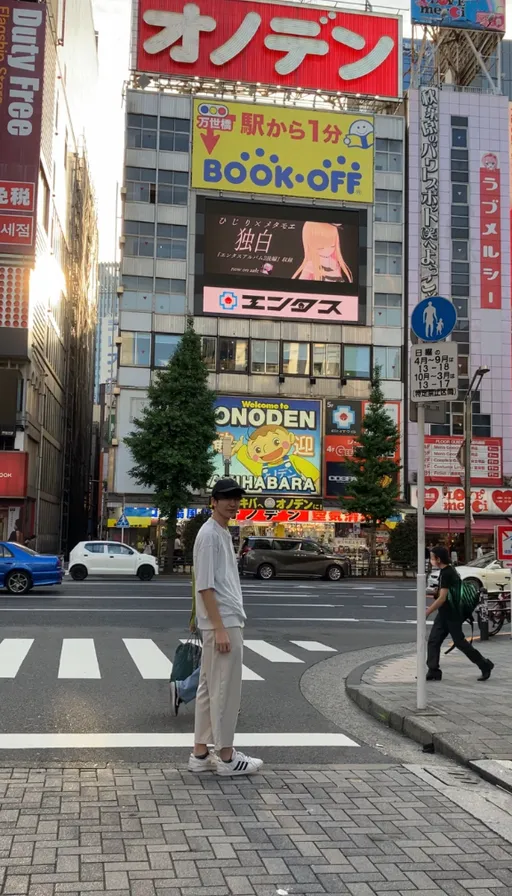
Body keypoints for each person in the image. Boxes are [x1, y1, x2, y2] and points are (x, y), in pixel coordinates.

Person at [189, 477, 262, 776]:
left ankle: (200, 753)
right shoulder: (209, 535)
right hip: (224, 621)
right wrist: (218, 627)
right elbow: (206, 586)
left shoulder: (220, 532)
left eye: (237, 497)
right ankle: (228, 757)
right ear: (214, 501)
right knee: (226, 689)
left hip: (221, 619)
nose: (233, 502)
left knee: (209, 686)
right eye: (227, 497)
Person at [426, 545, 493, 682]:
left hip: (452, 613)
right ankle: (433, 670)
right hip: (445, 612)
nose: (430, 560)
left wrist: (427, 611)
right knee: (434, 640)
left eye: (432, 558)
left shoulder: (447, 573)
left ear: (438, 559)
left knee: (460, 642)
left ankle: (484, 664)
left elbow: (442, 597)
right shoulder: (449, 570)